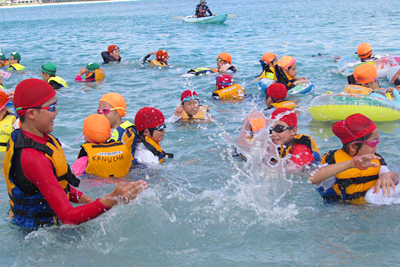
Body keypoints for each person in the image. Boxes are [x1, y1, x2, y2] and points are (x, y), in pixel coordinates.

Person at [4, 79, 147, 228]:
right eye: (52, 107)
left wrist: (88, 201)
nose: (57, 112)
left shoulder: (35, 137)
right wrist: (112, 198)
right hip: (37, 232)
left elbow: (57, 185)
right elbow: (67, 217)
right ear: (32, 113)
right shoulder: (33, 158)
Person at [309, 113, 400, 205]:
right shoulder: (335, 162)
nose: (377, 146)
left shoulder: (375, 159)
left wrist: (388, 176)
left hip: (371, 207)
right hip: (342, 211)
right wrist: (351, 164)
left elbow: (395, 178)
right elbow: (312, 178)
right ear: (353, 146)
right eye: (373, 142)